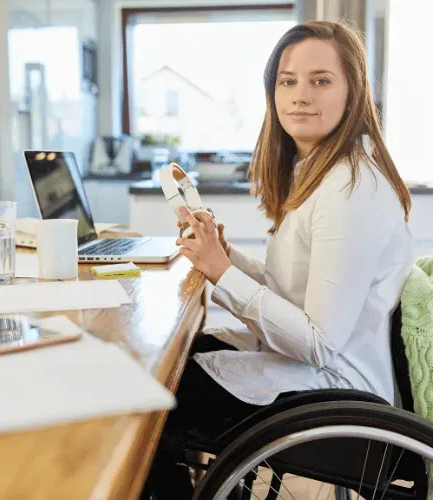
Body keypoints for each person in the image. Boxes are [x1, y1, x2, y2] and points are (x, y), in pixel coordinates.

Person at [141, 20, 413, 499]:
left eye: (320, 80)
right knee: (169, 365)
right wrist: (228, 258)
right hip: (320, 381)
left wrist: (222, 273)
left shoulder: (350, 191)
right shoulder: (321, 172)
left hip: (342, 407)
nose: (299, 95)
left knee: (150, 398)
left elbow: (318, 342)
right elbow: (296, 291)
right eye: (287, 81)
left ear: (354, 92)